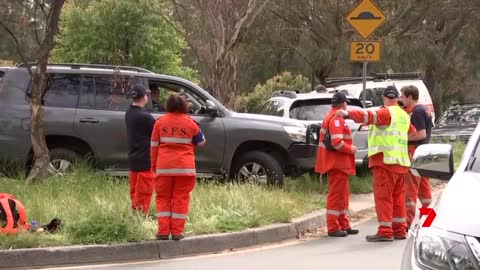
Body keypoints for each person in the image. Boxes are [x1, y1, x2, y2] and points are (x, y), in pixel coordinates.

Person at [336, 86, 417, 242]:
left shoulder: (385, 112)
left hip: (384, 161)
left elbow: (367, 116)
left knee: (384, 198)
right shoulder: (404, 115)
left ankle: (385, 231)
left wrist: (348, 113)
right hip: (401, 164)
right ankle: (399, 230)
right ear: (398, 98)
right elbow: (411, 132)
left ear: (385, 98)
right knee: (398, 199)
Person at [150, 93, 206, 240]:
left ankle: (163, 232)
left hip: (164, 168)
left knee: (163, 198)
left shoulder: (159, 123)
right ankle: (177, 232)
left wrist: (154, 166)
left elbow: (154, 147)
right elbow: (201, 142)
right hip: (185, 169)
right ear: (184, 106)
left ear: (168, 105)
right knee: (180, 198)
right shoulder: (191, 123)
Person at [315, 92, 359, 237]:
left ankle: (344, 224)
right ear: (343, 104)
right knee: (337, 195)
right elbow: (337, 143)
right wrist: (351, 149)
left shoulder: (333, 116)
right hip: (337, 164)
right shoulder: (337, 119)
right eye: (346, 103)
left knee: (343, 195)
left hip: (338, 164)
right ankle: (333, 227)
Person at [400, 85, 433, 229]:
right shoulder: (423, 109)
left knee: (410, 190)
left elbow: (421, 134)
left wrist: (402, 140)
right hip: (423, 153)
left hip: (415, 153)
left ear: (410, 97)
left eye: (403, 96)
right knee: (425, 192)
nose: (401, 99)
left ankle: (406, 223)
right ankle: (428, 222)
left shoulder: (417, 111)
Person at [125, 84, 156, 215]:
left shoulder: (129, 113)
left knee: (135, 192)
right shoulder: (145, 117)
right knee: (143, 193)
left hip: (133, 159)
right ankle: (139, 219)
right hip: (145, 160)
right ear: (144, 97)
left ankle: (135, 216)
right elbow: (155, 134)